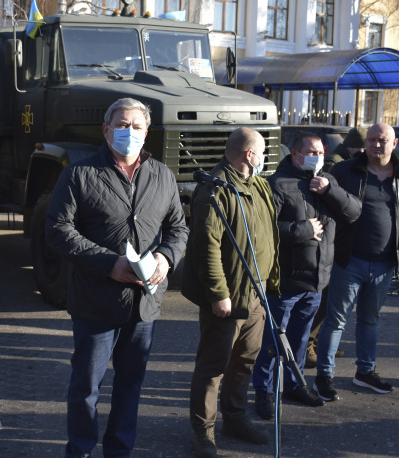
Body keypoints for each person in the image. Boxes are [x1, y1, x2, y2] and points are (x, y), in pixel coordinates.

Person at [46, 98, 188, 458]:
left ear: (146, 131)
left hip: (145, 303)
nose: (129, 132)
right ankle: (79, 449)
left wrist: (166, 257)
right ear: (106, 130)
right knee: (86, 387)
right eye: (122, 125)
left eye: (136, 126)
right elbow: (58, 230)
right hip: (96, 300)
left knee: (131, 386)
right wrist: (109, 263)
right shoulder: (79, 173)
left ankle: (119, 450)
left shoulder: (163, 175)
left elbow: (179, 229)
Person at [182, 127, 280, 458]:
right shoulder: (214, 189)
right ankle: (203, 432)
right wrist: (217, 293)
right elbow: (205, 246)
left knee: (245, 362)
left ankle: (235, 419)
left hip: (257, 294)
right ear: (249, 155)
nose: (265, 158)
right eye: (262, 151)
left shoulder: (258, 185)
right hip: (229, 295)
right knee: (213, 366)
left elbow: (268, 234)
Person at [253, 132, 361, 415]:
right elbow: (263, 231)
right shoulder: (276, 184)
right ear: (296, 154)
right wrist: (303, 231)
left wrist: (329, 191)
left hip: (317, 279)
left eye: (320, 152)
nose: (317, 156)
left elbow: (353, 213)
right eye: (311, 152)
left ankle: (295, 383)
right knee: (274, 340)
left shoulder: (327, 181)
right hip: (285, 279)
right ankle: (263, 391)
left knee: (301, 338)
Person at [313, 123, 399, 401]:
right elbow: (326, 207)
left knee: (370, 320)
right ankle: (324, 376)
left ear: (394, 144)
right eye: (372, 140)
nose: (376, 145)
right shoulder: (345, 171)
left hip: (384, 264)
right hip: (349, 260)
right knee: (336, 321)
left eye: (382, 140)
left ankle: (365, 372)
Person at [307, 126, 368, 368]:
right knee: (322, 300)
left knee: (330, 300)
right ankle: (311, 344)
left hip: (337, 236)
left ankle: (320, 341)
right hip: (330, 237)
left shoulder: (344, 161)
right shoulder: (336, 164)